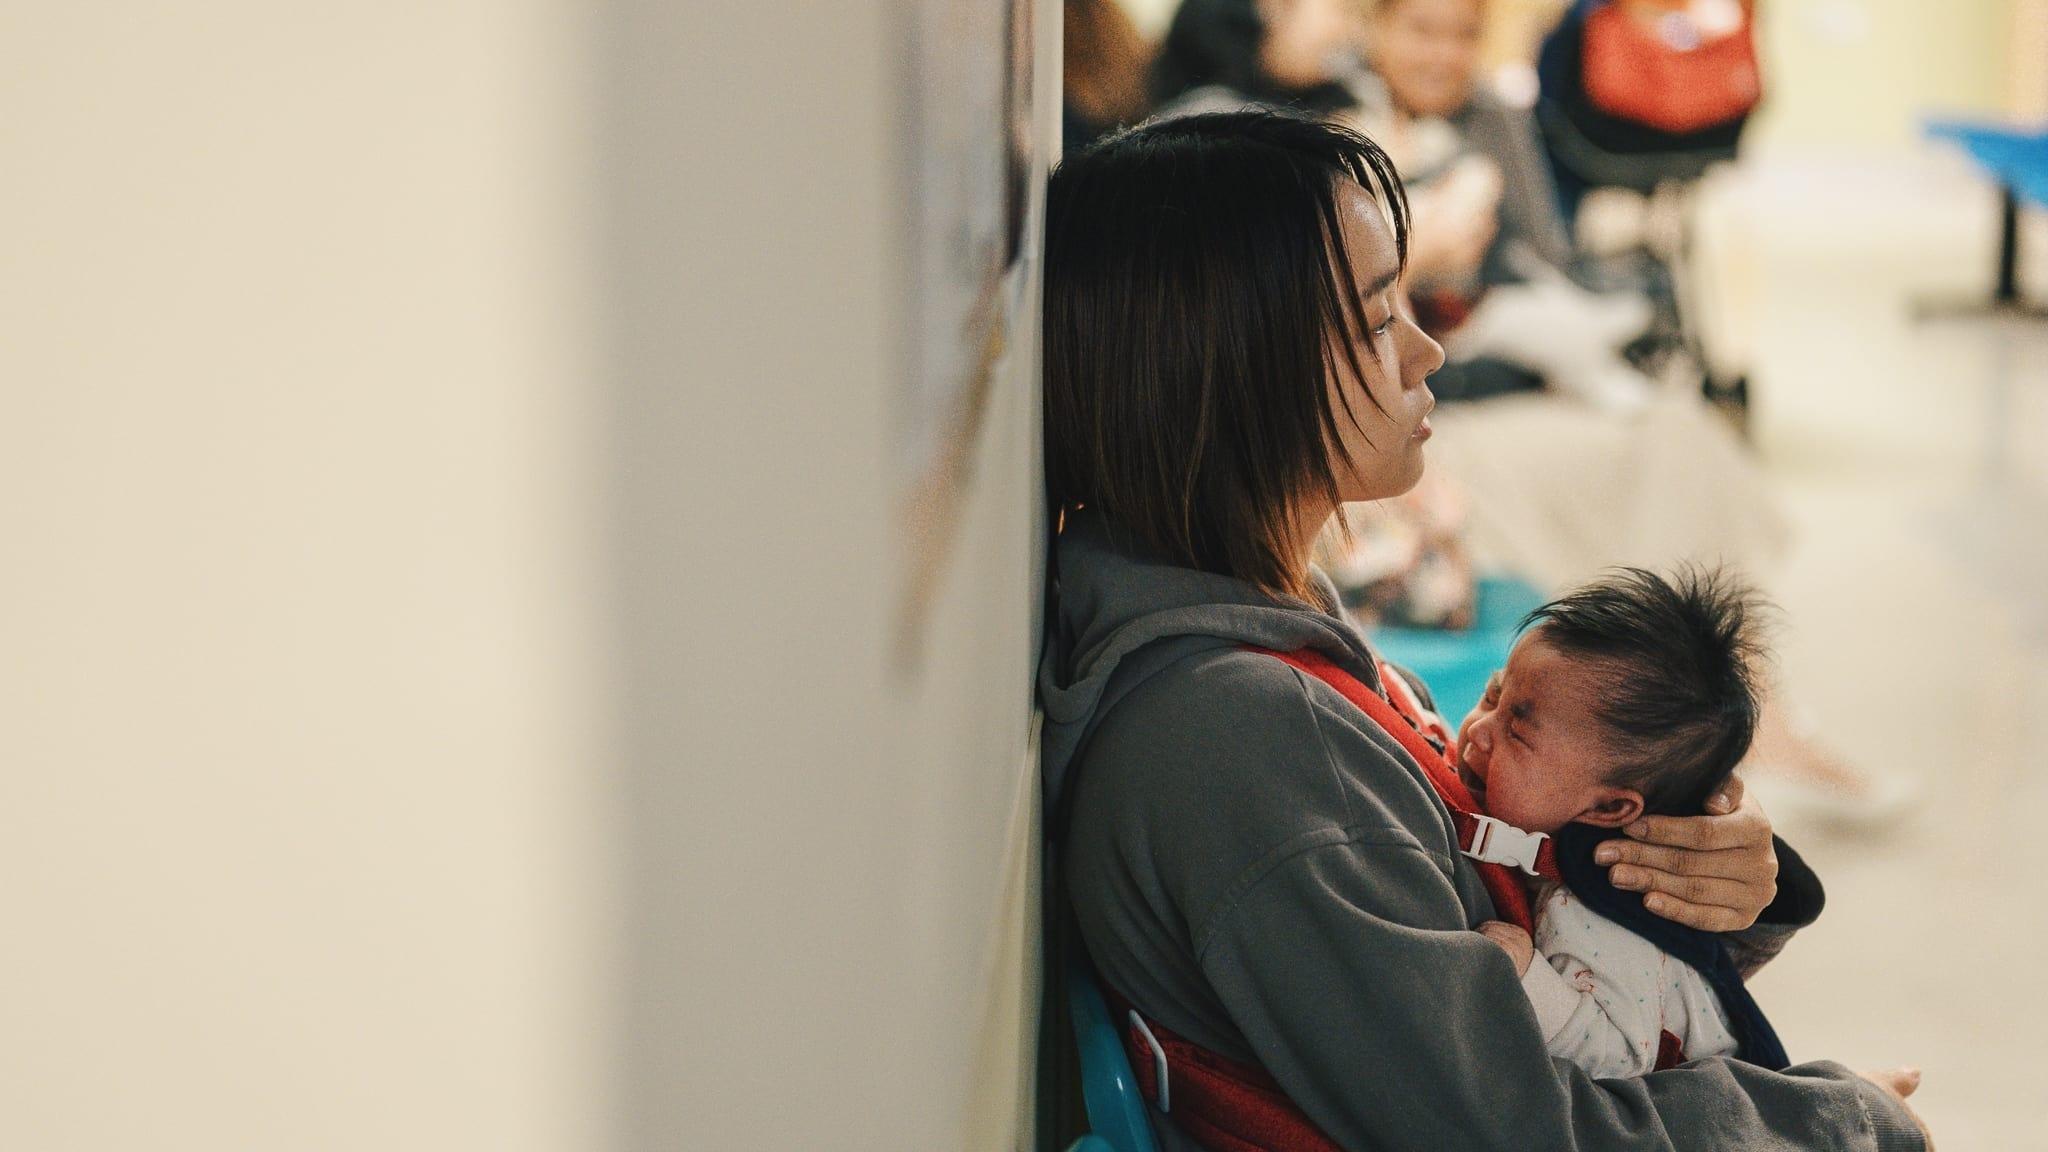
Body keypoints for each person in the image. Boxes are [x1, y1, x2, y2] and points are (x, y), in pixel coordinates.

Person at [1040, 110, 1927, 1150]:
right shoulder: (1249, 744)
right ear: (1232, 367)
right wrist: (1836, 1124)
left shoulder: (1261, 638)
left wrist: (1673, 873)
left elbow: (1519, 969)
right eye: (1376, 321)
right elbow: (1514, 1130)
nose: (1426, 349)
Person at [1445, 565, 1787, 1078]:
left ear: (1608, 810)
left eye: (1517, 734)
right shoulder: (1547, 827)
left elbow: (1621, 1057)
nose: (1478, 732)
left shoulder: (1599, 906)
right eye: (1493, 697)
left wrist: (1523, 977)